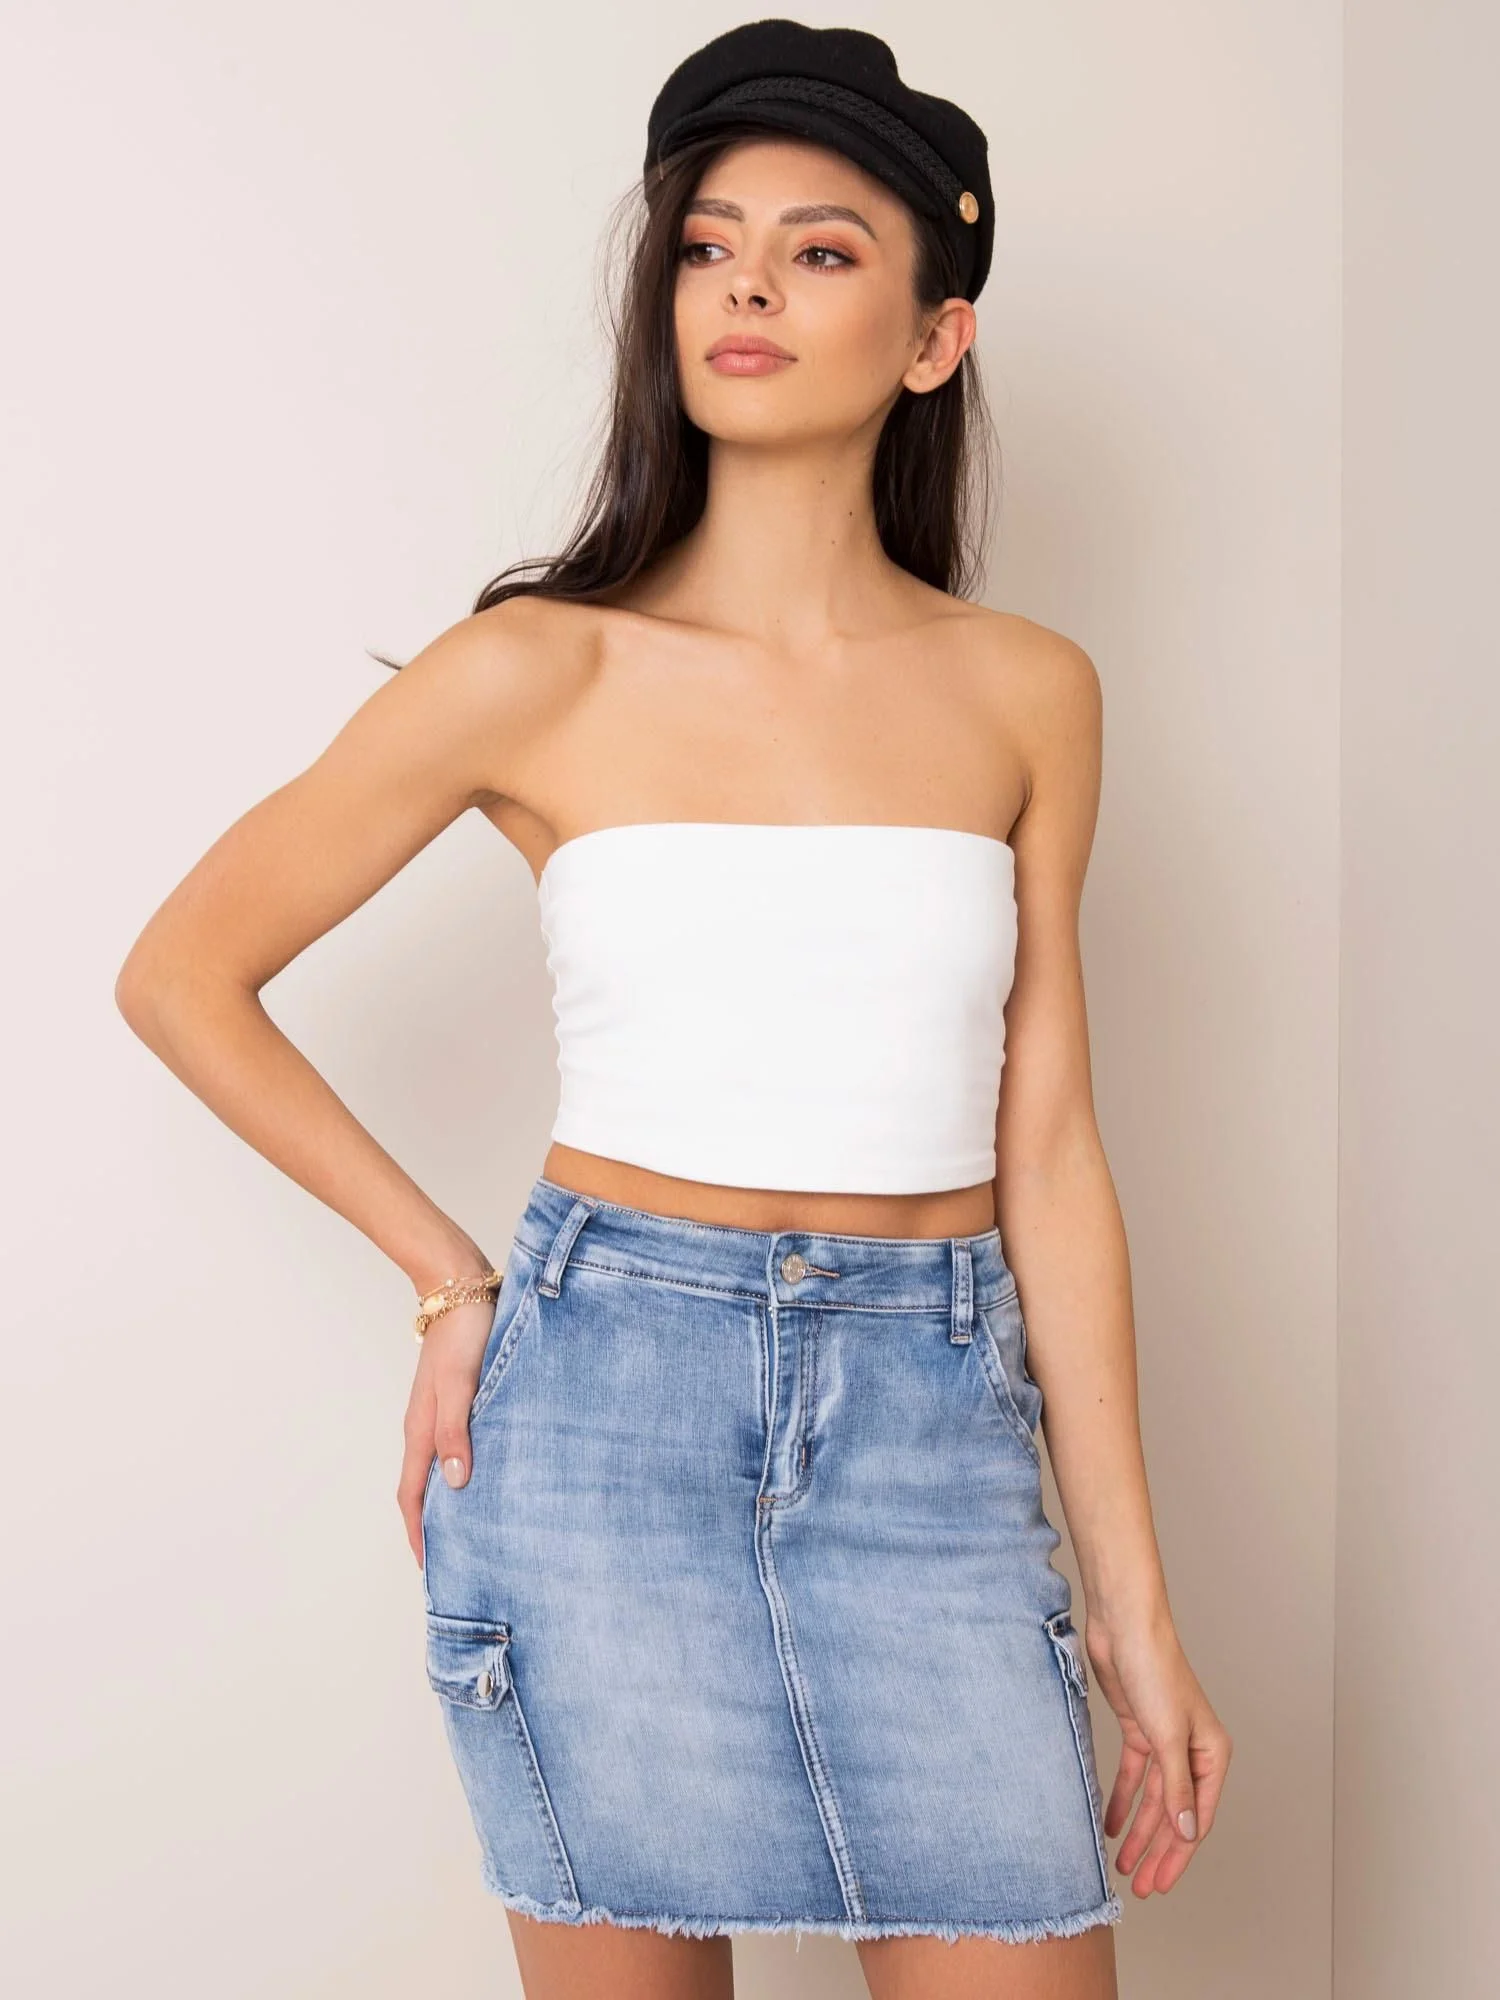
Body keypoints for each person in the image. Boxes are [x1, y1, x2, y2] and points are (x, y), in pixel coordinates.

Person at [116, 19, 1231, 2000]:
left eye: (821, 250)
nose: (746, 287)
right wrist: (447, 1282)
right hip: (600, 1428)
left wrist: (1135, 1607)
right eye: (710, 245)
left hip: (933, 1435)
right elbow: (184, 973)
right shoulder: (533, 670)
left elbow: (1051, 1149)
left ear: (934, 338)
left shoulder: (1027, 691)